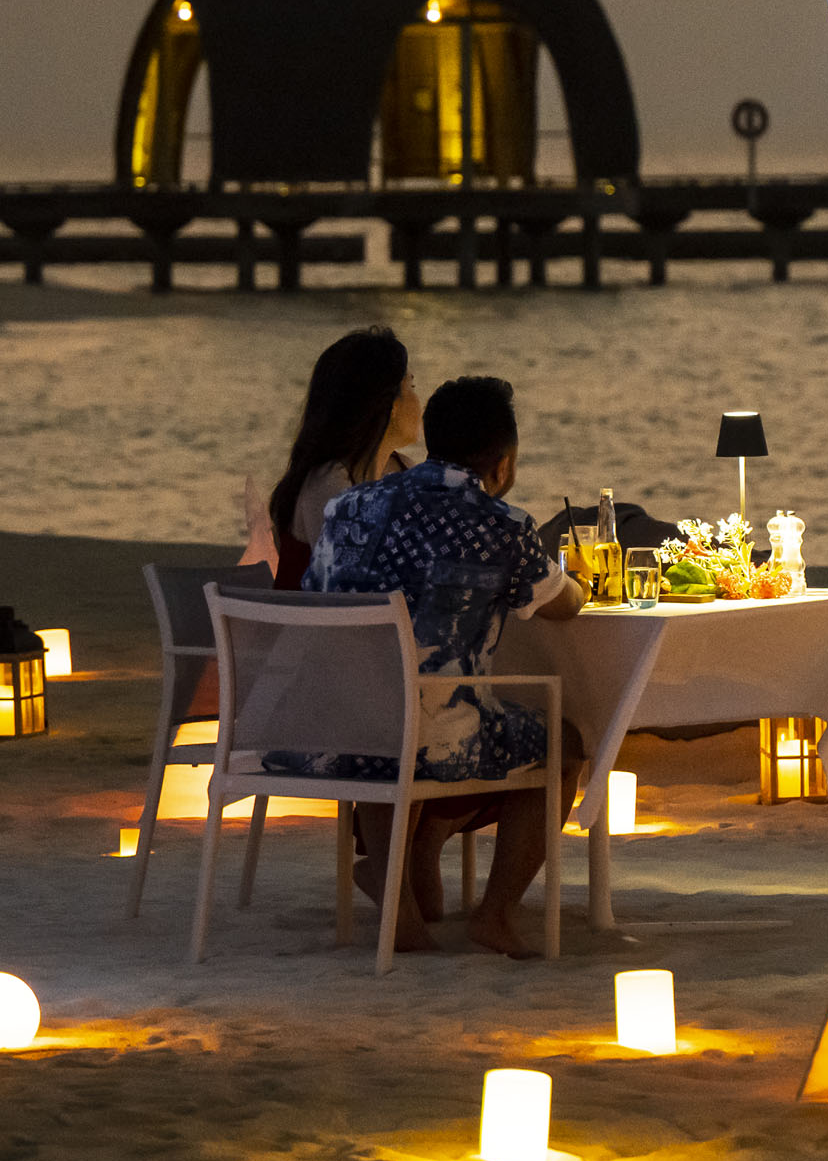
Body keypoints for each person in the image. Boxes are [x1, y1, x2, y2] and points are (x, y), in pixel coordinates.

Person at [301, 374, 580, 957]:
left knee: (388, 712)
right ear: (501, 466)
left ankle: (401, 911)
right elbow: (566, 606)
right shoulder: (501, 525)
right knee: (563, 740)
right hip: (430, 740)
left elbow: (315, 598)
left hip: (332, 730)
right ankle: (496, 913)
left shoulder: (347, 507)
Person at [244, 327, 420, 589]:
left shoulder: (404, 469)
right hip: (316, 627)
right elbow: (345, 582)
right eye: (412, 386)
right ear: (391, 405)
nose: (419, 400)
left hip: (375, 622)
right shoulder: (328, 481)